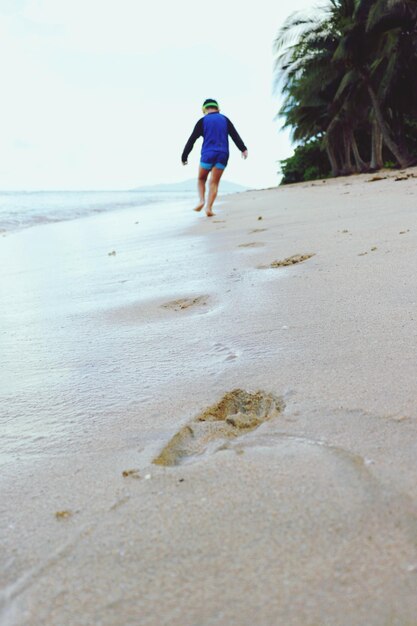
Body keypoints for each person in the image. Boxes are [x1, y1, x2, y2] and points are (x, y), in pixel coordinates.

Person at [181, 99, 248, 217]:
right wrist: (243, 149)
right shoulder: (225, 119)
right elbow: (234, 135)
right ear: (218, 109)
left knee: (201, 179)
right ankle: (209, 208)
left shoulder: (202, 121)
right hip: (223, 154)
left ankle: (201, 200)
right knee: (214, 183)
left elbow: (192, 140)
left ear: (204, 109)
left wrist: (184, 155)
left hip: (208, 154)